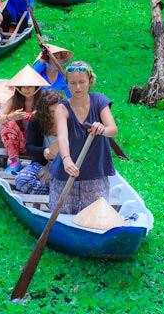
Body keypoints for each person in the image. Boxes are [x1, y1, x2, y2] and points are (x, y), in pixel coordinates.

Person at [49, 61, 118, 214]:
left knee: (95, 218)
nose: (78, 87)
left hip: (95, 173)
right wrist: (66, 159)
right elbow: (62, 137)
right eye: (73, 83)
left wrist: (102, 129)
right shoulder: (62, 108)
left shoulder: (99, 101)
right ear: (67, 84)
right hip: (65, 174)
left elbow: (113, 129)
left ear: (90, 81)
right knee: (64, 217)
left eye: (82, 82)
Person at [0, 65, 50, 174]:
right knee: (6, 124)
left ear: (36, 87)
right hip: (20, 142)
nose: (27, 89)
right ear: (19, 88)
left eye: (30, 86)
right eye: (23, 86)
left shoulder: (44, 99)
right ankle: (15, 161)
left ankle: (37, 162)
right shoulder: (13, 100)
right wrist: (11, 116)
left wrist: (38, 115)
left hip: (38, 142)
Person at [14, 89, 61, 194]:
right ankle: (53, 193)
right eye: (51, 112)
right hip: (42, 163)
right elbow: (29, 147)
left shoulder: (69, 121)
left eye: (58, 111)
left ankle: (56, 191)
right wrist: (44, 151)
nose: (55, 115)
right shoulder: (36, 121)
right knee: (21, 180)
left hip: (64, 165)